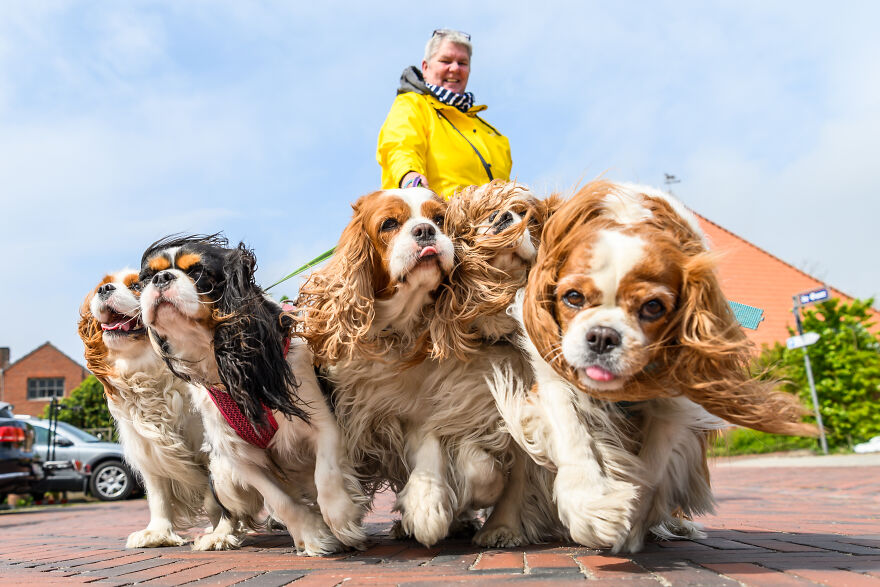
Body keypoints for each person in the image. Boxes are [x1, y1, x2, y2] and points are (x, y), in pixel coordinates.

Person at [377, 29, 512, 200]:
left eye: (462, 63)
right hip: (441, 218)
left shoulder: (494, 135)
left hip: (492, 222)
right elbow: (399, 146)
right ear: (425, 67)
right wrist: (409, 176)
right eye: (445, 61)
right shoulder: (413, 105)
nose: (455, 68)